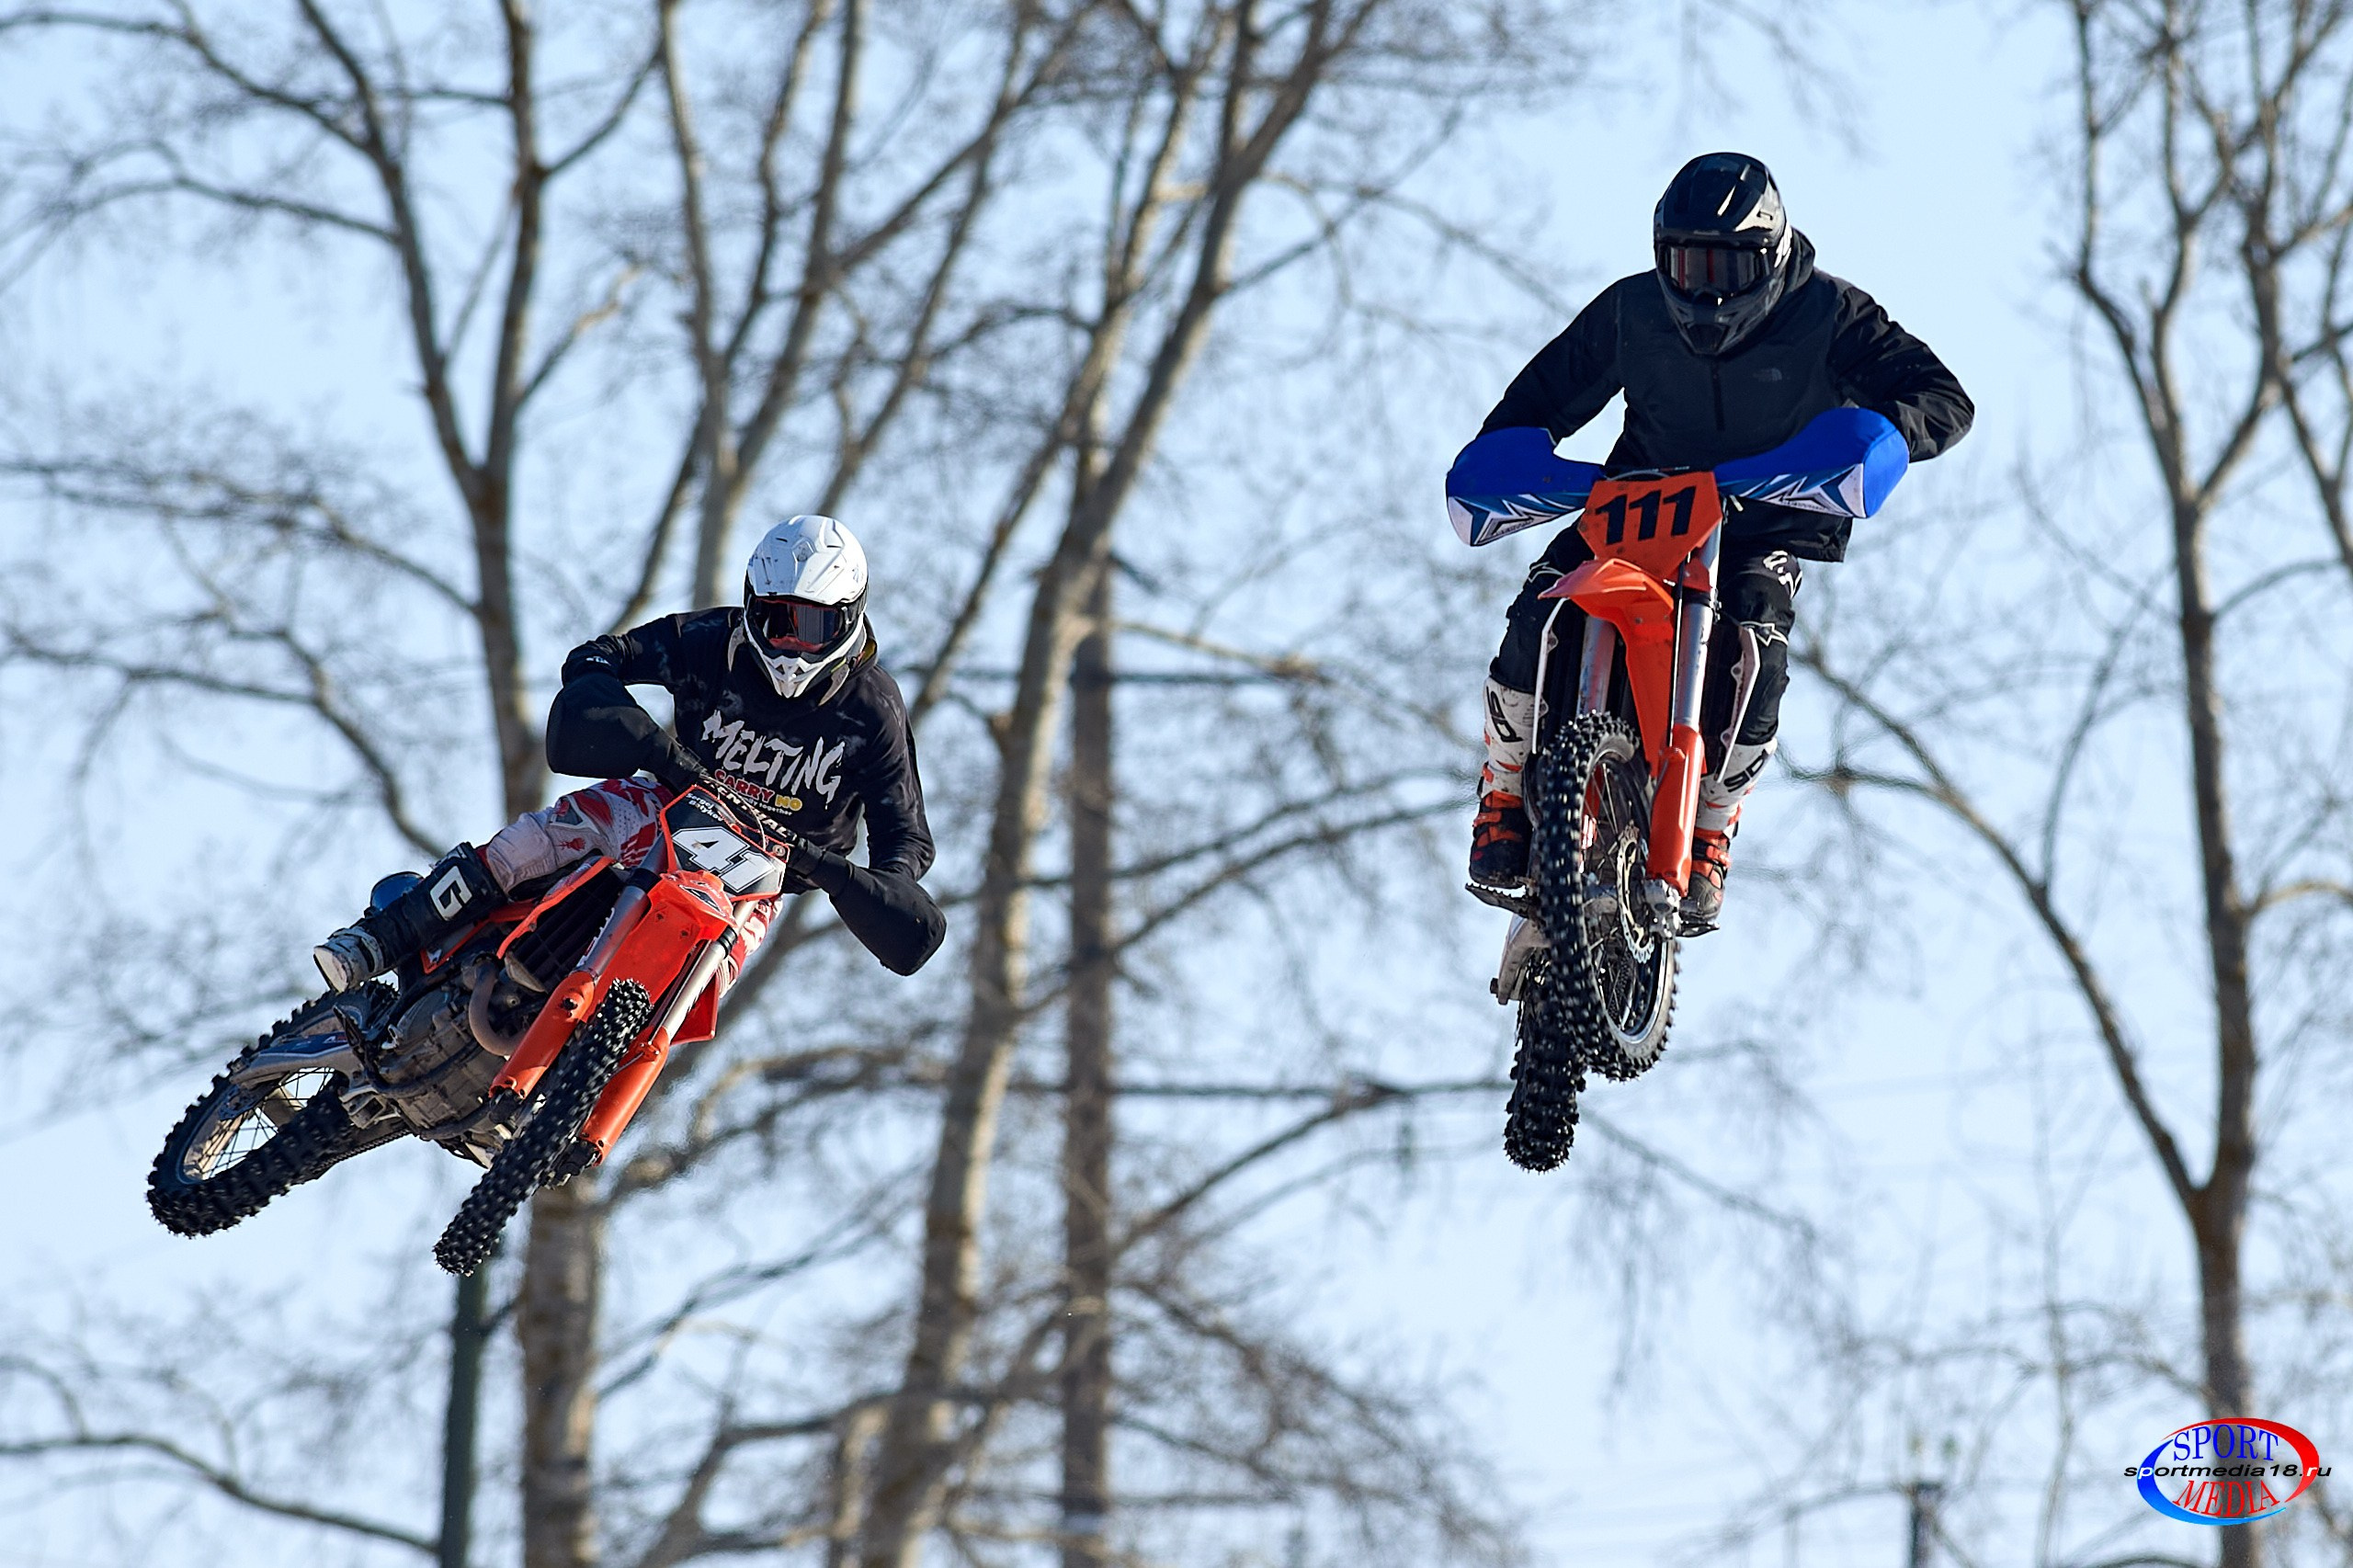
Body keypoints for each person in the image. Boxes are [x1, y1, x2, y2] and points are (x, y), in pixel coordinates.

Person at [1467, 153, 1973, 931]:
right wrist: (1509, 458)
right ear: (1659, 254)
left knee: (1755, 641)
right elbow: (1536, 400)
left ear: (1770, 255)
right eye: (1687, 262)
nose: (1705, 286)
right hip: (1638, 502)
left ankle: (1708, 831)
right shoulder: (1632, 309)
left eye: (1727, 264)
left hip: (1765, 515)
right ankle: (1504, 794)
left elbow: (1942, 397)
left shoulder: (1833, 314)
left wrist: (1885, 437)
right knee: (1539, 605)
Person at [311, 513, 947, 994]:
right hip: (668, 801)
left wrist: (873, 885)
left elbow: (907, 839)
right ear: (750, 606)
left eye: (811, 627)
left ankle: (570, 1101)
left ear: (847, 621)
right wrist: (629, 725)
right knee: (547, 832)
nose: (790, 644)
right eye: (777, 620)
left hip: (763, 874)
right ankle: (379, 940)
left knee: (709, 981)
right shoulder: (709, 640)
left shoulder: (873, 709)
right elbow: (600, 657)